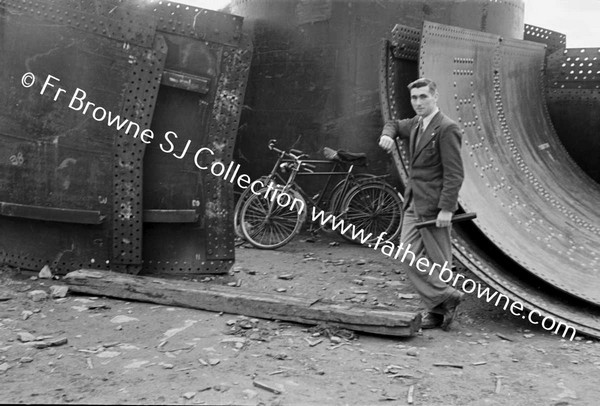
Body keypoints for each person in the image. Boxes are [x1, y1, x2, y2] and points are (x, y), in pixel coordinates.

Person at [379, 78, 465, 330]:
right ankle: (447, 296)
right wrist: (387, 135)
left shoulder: (447, 128)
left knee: (438, 261)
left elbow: (454, 173)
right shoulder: (416, 124)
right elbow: (394, 124)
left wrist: (447, 208)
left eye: (423, 97)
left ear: (435, 97)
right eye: (414, 98)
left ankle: (437, 312)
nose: (418, 102)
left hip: (435, 207)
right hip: (413, 204)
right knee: (407, 254)